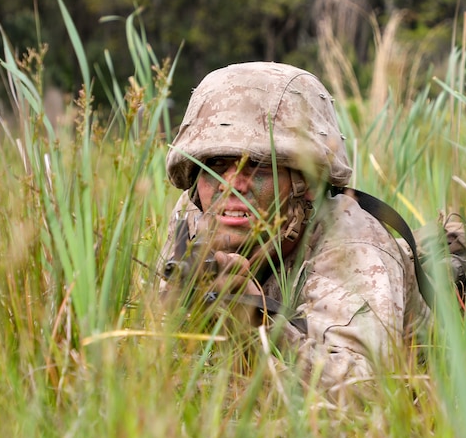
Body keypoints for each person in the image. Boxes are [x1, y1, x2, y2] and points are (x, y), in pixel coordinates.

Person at [159, 61, 422, 401]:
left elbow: (364, 393)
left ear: (308, 182)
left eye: (259, 166)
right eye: (215, 164)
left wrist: (257, 328)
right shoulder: (193, 211)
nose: (232, 185)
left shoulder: (353, 244)